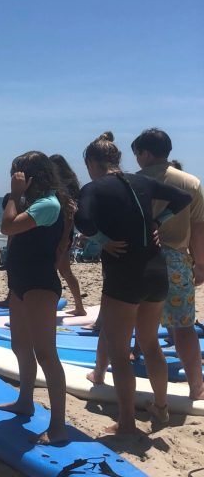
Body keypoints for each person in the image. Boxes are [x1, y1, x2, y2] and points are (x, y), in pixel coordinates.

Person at [75, 132, 191, 434]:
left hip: (124, 276)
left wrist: (103, 241)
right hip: (156, 272)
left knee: (118, 349)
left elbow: (82, 221)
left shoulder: (93, 187)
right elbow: (183, 198)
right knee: (150, 343)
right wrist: (158, 222)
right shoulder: (140, 182)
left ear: (91, 162)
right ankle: (161, 408)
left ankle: (126, 421)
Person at [0, 151, 68, 444]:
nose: (16, 181)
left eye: (19, 176)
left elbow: (7, 226)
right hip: (21, 283)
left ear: (32, 177)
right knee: (20, 345)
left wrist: (14, 195)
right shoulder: (36, 203)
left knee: (46, 354)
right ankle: (25, 400)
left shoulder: (48, 204)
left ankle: (58, 426)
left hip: (40, 285)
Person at [134, 128, 204, 400]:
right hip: (176, 260)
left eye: (138, 153)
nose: (137, 159)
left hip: (139, 260)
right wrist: (200, 265)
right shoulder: (191, 183)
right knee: (184, 325)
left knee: (141, 327)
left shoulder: (132, 182)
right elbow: (198, 230)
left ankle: (151, 390)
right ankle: (196, 388)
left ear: (146, 153)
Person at [49, 154, 87, 316]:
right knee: (65, 271)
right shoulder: (68, 185)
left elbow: (69, 216)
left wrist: (64, 240)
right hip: (63, 233)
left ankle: (76, 307)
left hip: (61, 234)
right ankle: (79, 307)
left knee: (55, 271)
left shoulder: (63, 188)